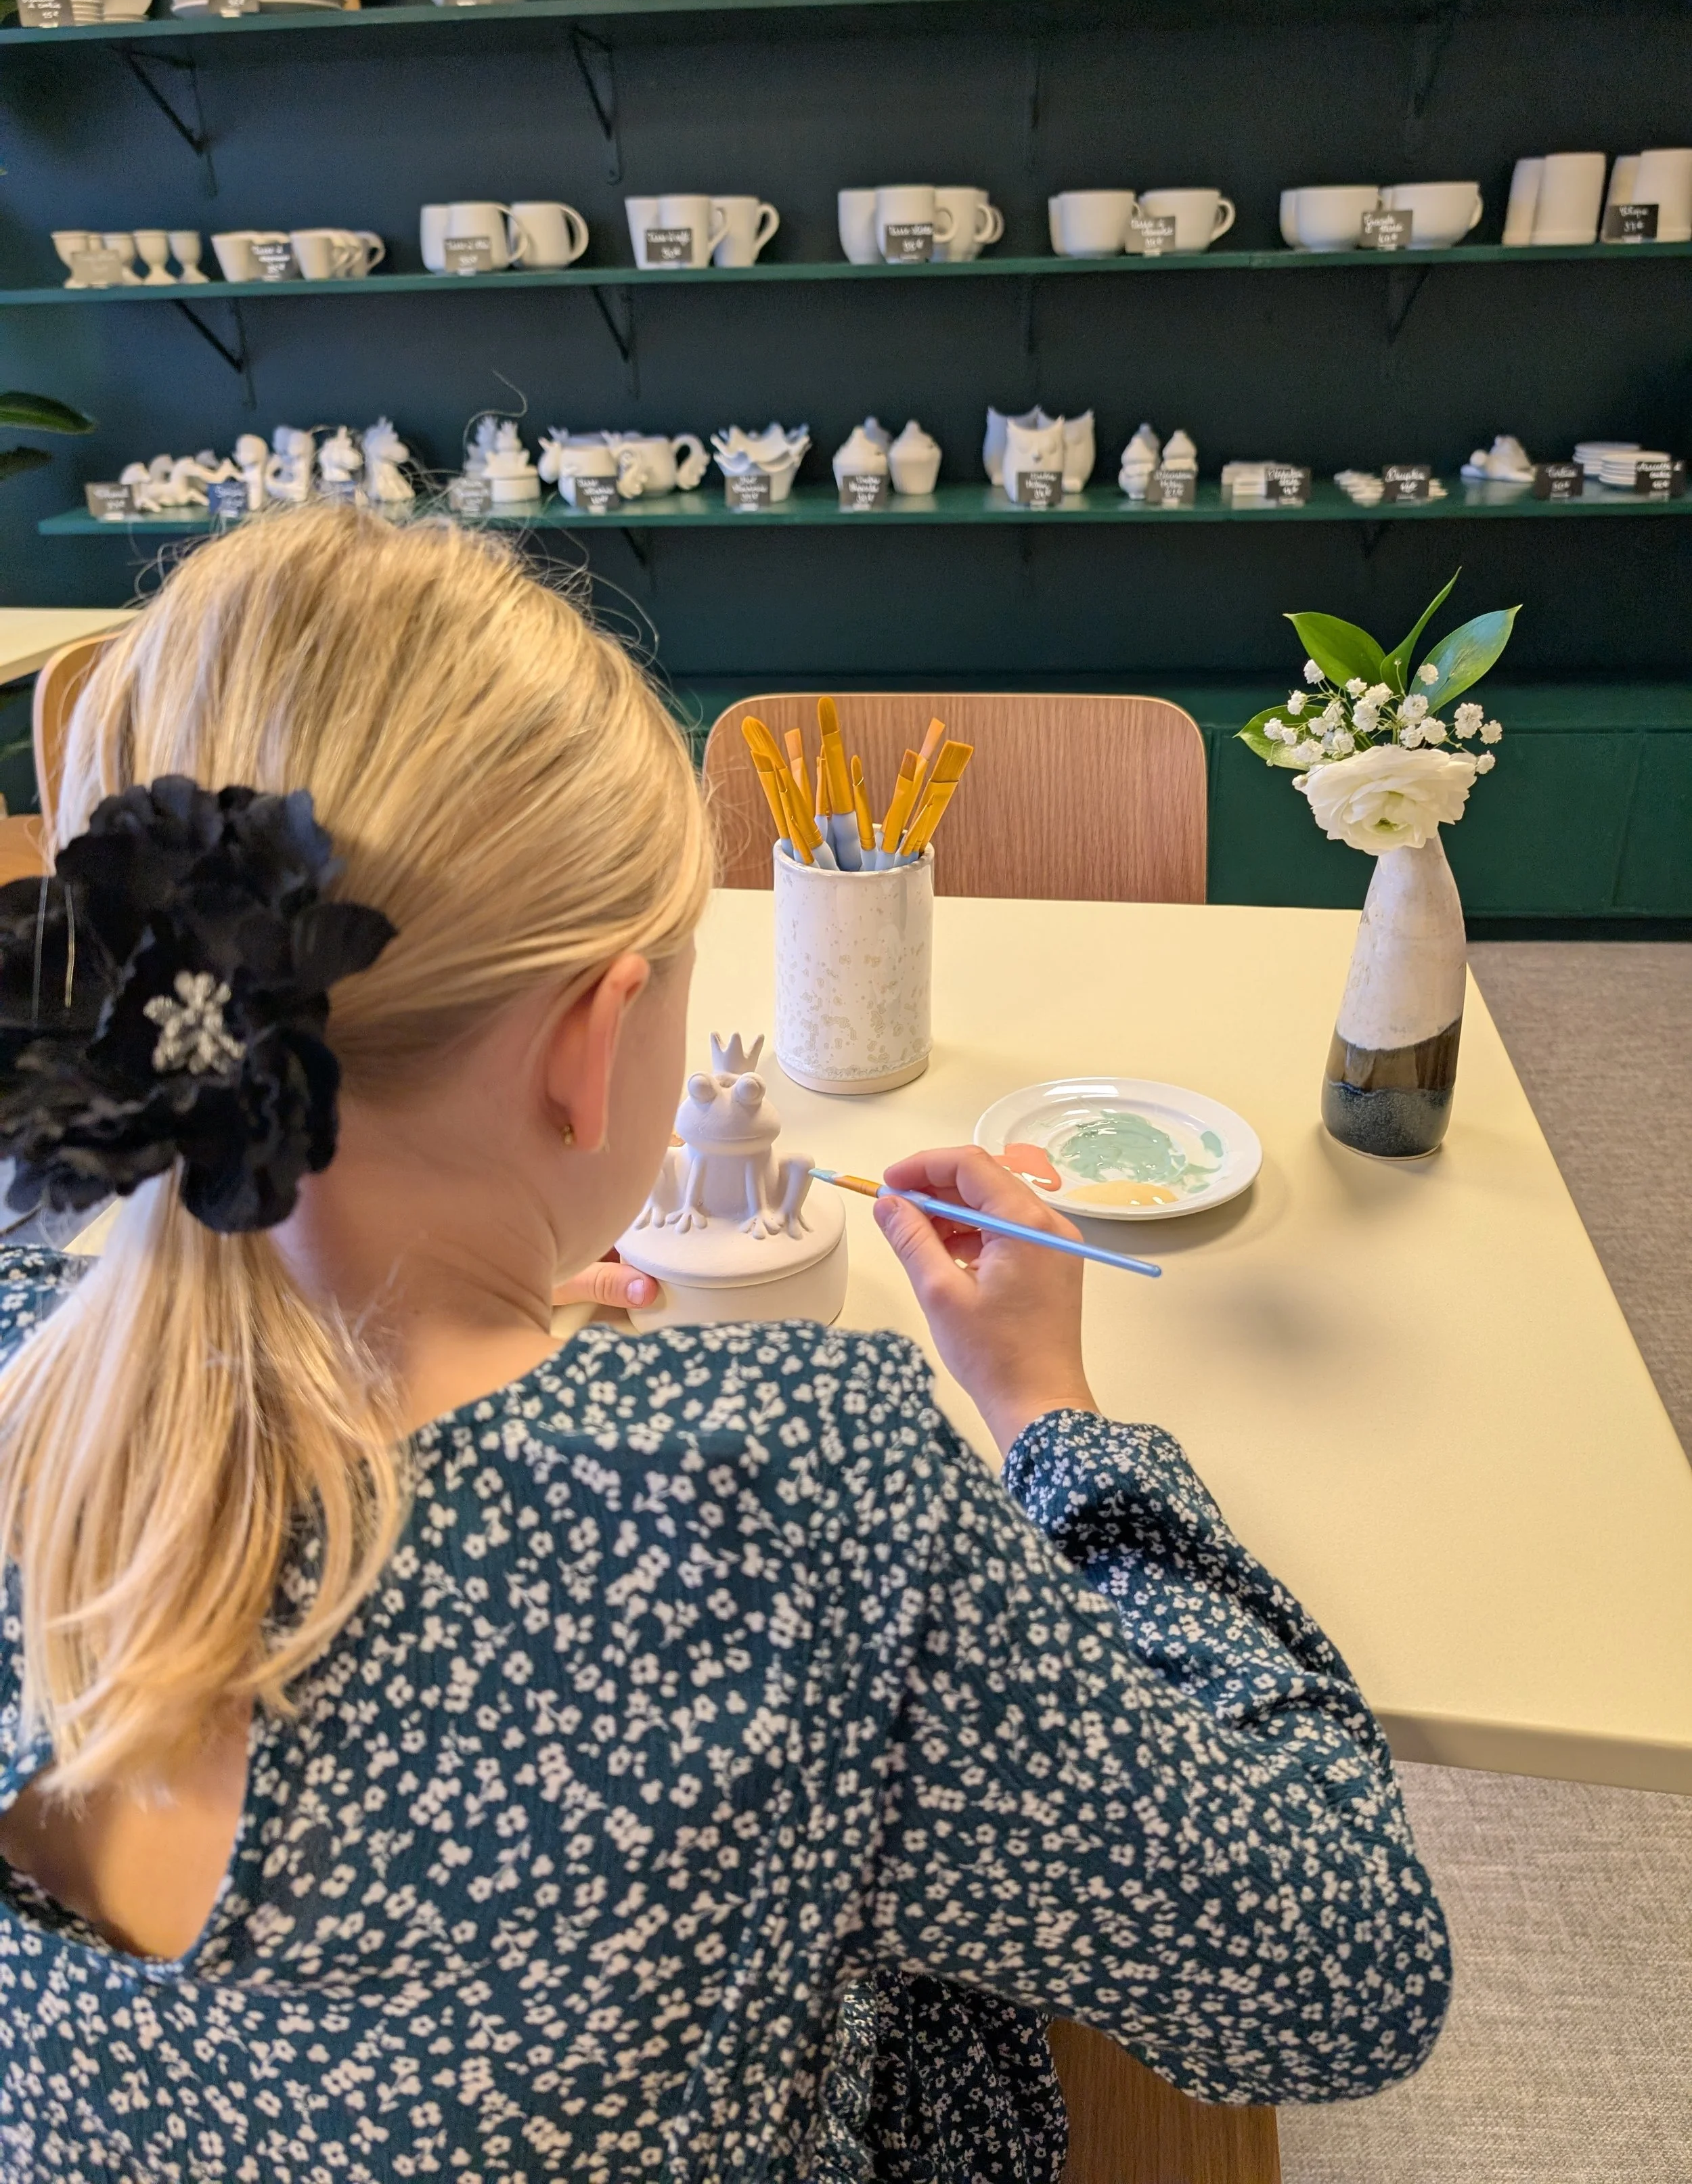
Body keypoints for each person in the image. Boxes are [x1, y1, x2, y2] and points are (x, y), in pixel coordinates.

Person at [0, 507, 1448, 2182]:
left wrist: (485, 1304)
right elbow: (1349, 1976)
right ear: (594, 1040)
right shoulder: (796, 1490)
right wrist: (1055, 1421)